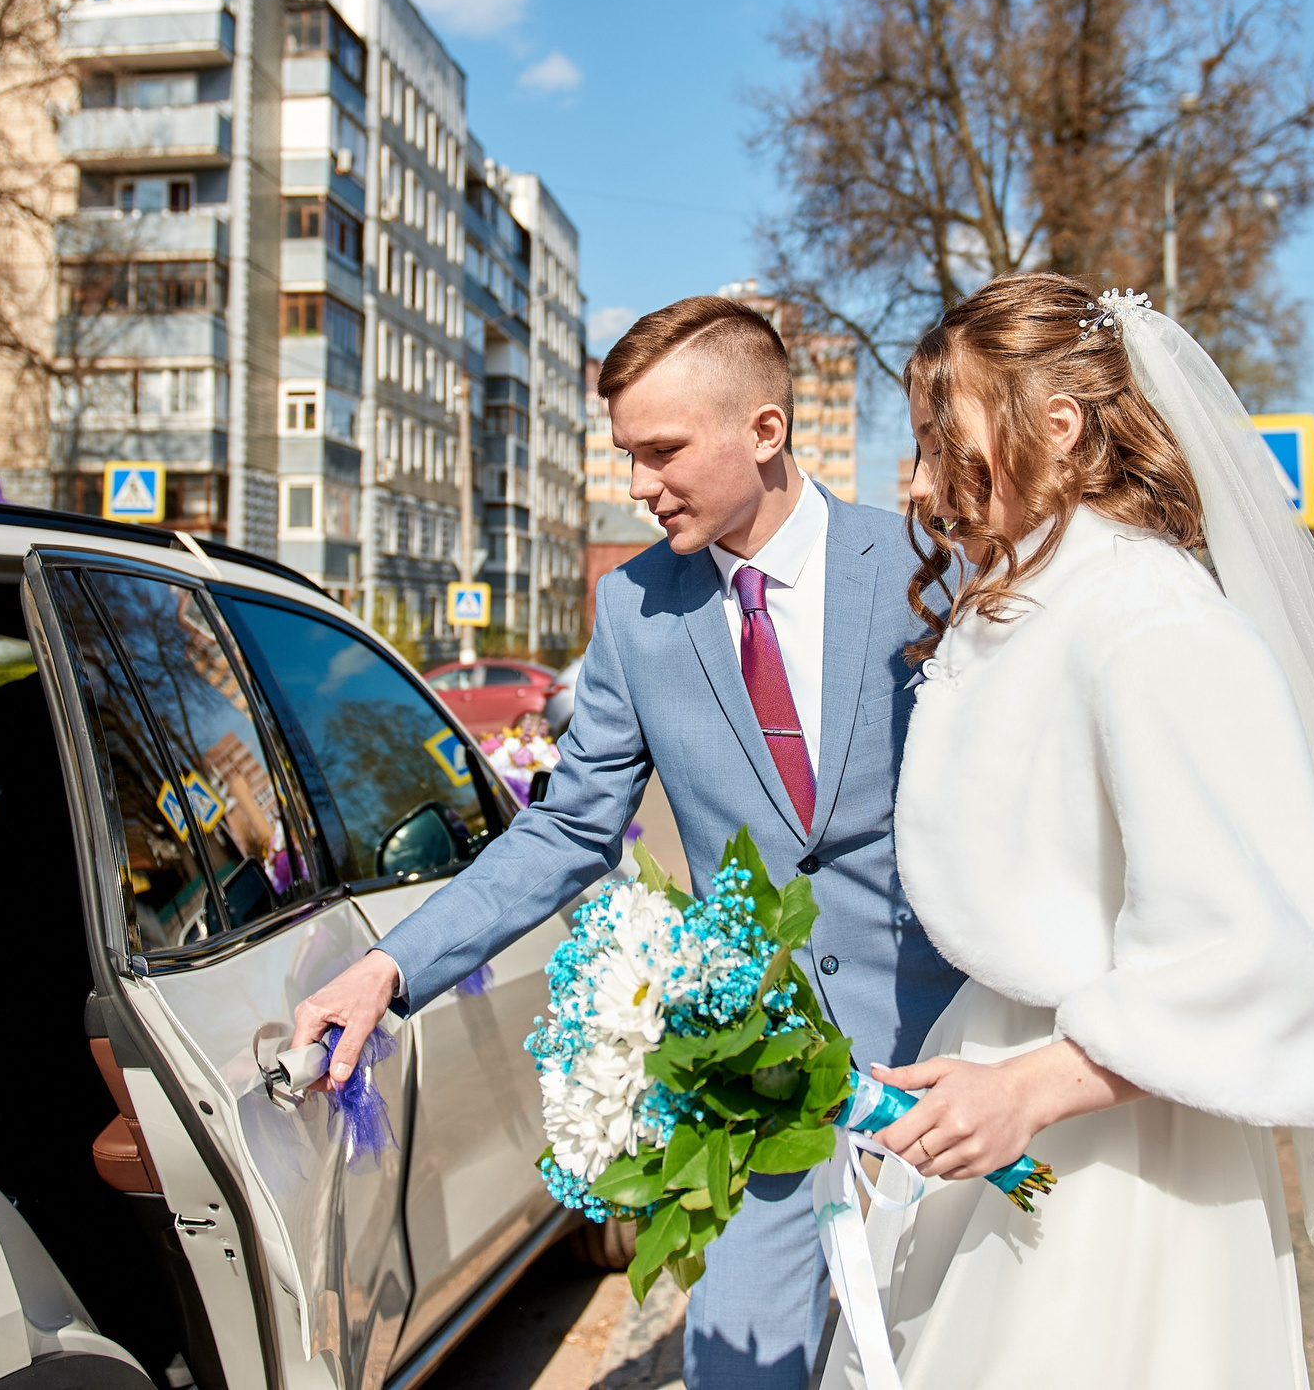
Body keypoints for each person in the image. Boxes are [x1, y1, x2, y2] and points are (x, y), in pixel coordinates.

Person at [823, 275, 1314, 1389]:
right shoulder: (1026, 599)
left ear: (1057, 426)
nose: (920, 485)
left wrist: (1028, 1088)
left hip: (1121, 1137)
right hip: (1003, 1074)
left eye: (941, 440)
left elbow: (1263, 951)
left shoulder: (1153, 620)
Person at [291, 294, 965, 1390]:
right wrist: (389, 966)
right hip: (758, 1074)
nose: (638, 485)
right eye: (627, 456)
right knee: (738, 1370)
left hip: (946, 1058)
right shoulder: (633, 607)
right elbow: (566, 826)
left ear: (765, 428)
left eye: (663, 451)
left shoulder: (925, 565)